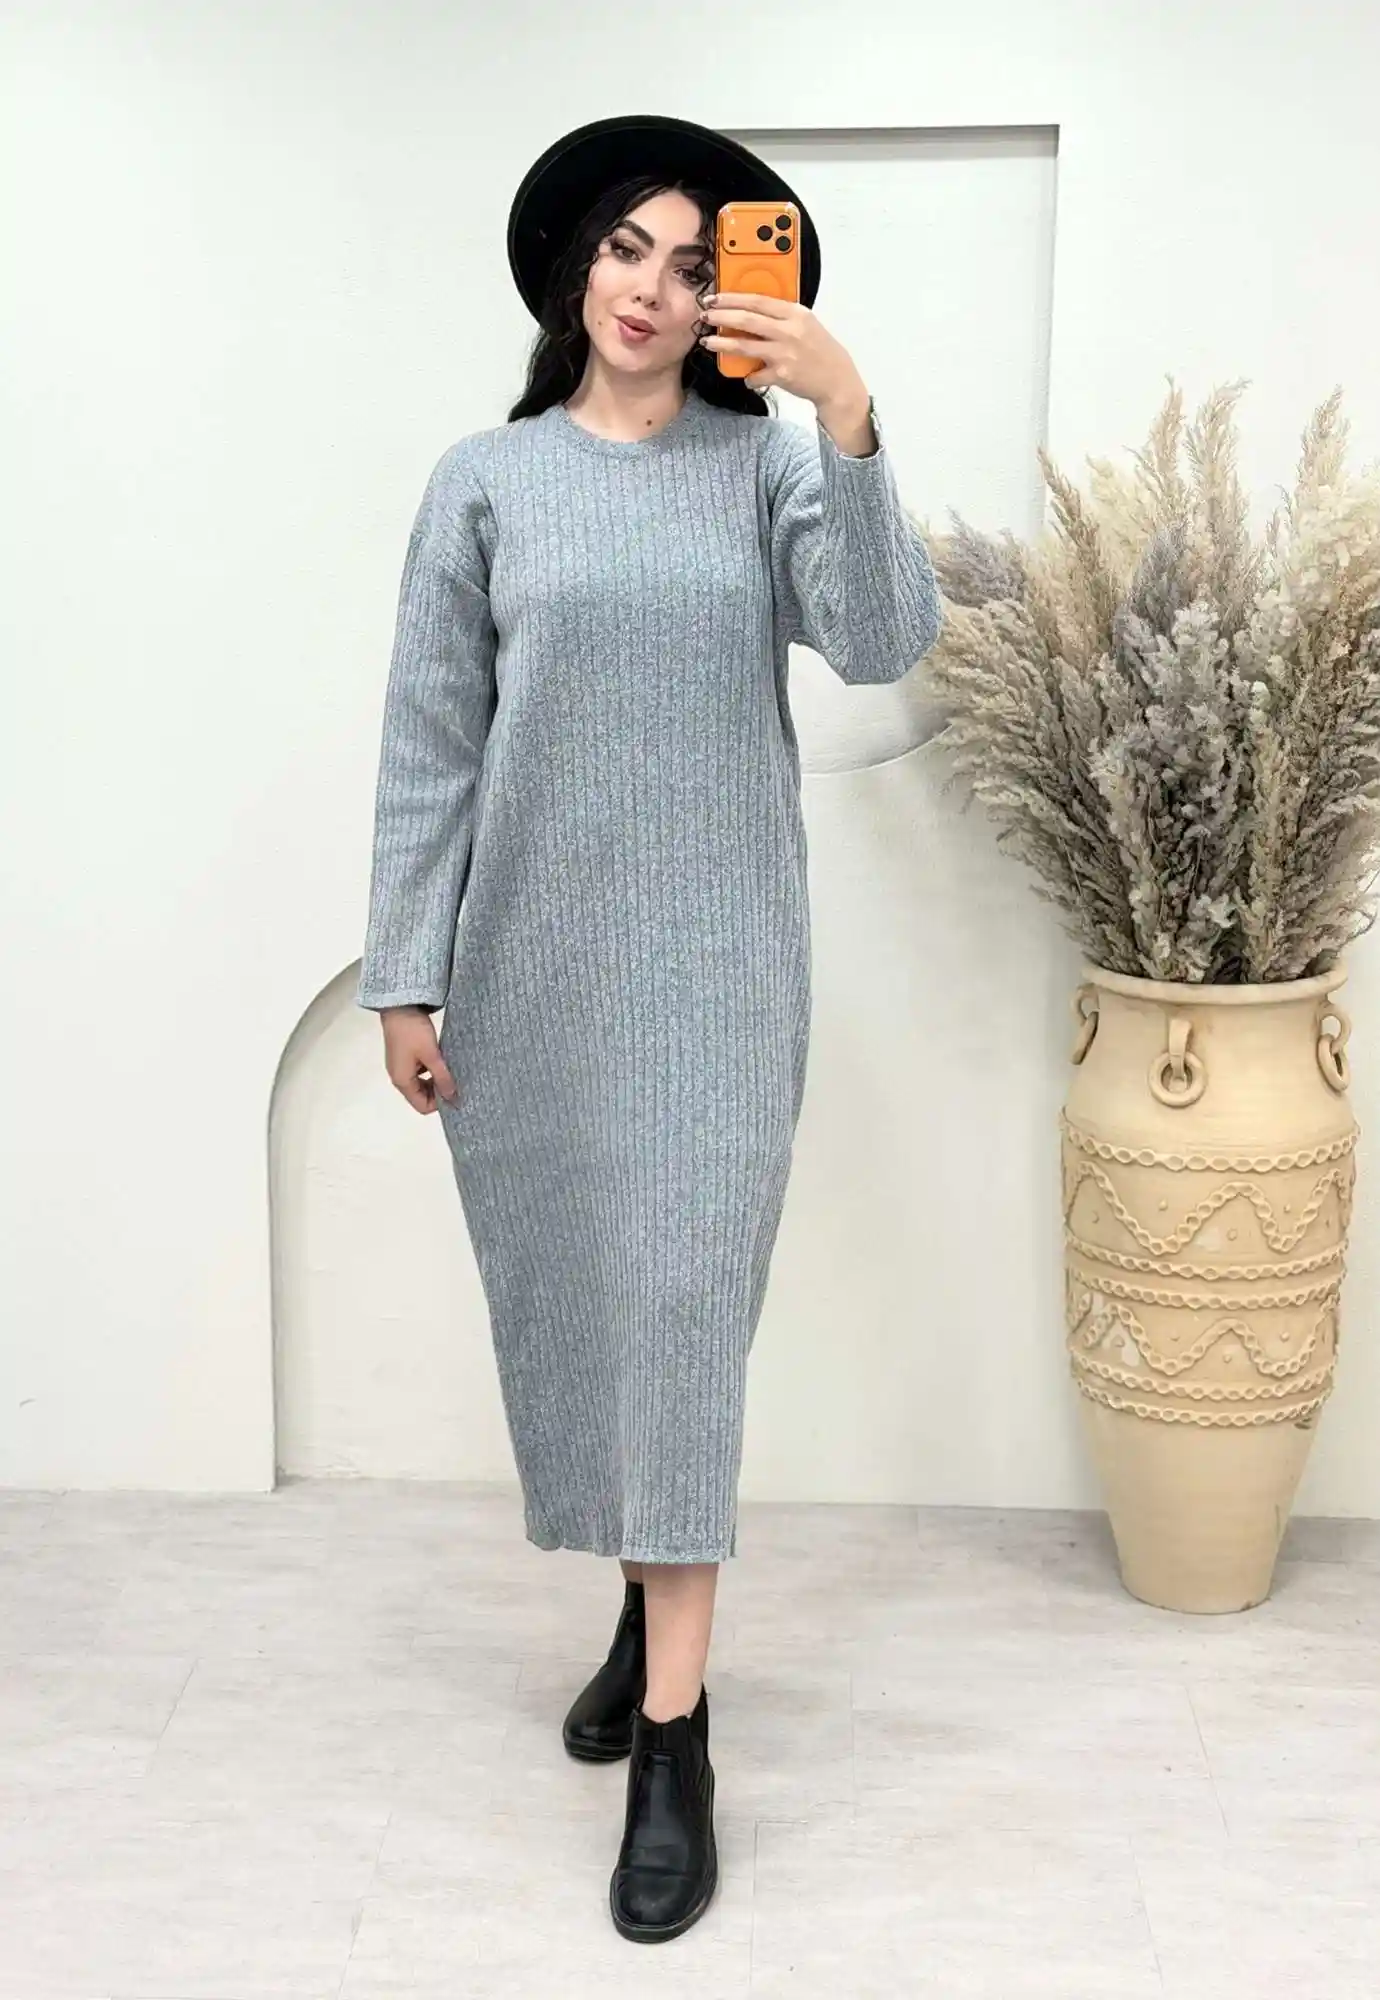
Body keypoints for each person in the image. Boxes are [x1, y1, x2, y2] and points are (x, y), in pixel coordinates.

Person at [356, 112, 942, 1944]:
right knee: (598, 1315)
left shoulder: (763, 473)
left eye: (696, 266)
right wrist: (404, 971)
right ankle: (639, 1612)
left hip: (719, 978)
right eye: (628, 248)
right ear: (574, 267)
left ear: (729, 303)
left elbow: (882, 638)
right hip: (532, 975)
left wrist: (848, 418)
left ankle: (676, 1745)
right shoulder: (484, 481)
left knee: (682, 1318)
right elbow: (430, 741)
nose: (655, 289)